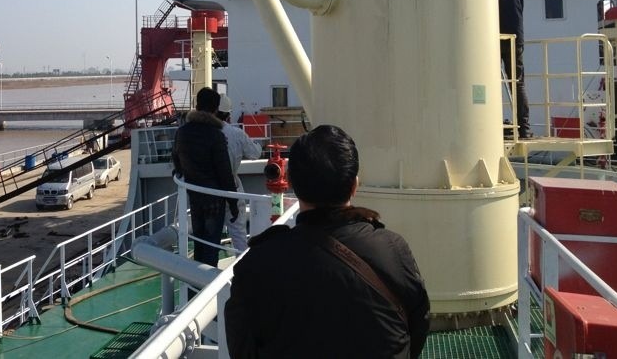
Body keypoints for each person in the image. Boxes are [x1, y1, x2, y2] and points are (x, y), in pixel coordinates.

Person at [225, 125, 430, 358]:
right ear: (354, 185)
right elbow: (417, 324)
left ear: (290, 181)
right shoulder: (393, 250)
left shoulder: (257, 264)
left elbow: (242, 347)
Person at [172, 87, 239, 267]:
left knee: (199, 243)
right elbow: (224, 173)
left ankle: (197, 281)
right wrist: (233, 203)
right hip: (214, 200)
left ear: (196, 105)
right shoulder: (216, 135)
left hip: (194, 196)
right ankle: (208, 282)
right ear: (215, 109)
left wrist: (180, 172)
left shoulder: (182, 132)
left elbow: (176, 159)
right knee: (211, 246)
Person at [217, 94, 264, 252]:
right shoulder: (236, 133)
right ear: (228, 115)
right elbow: (255, 153)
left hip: (209, 191)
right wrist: (259, 144)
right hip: (233, 188)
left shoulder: (204, 133)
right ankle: (242, 263)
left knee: (210, 236)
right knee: (239, 235)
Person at [499, 0, 532, 138]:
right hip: (515, 40)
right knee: (518, 83)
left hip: (493, 40)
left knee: (489, 82)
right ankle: (524, 128)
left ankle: (492, 124)